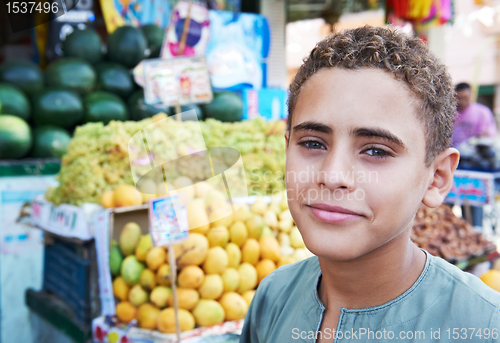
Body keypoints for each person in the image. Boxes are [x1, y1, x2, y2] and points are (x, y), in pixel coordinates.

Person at [240, 26, 500, 343]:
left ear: (437, 177)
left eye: (376, 151)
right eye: (312, 143)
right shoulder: (272, 299)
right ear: (286, 149)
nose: (333, 175)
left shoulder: (483, 326)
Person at [453, 82, 497, 147]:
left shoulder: (482, 112)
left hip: (474, 153)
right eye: (459, 98)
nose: (461, 101)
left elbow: (488, 135)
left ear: (471, 96)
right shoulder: (450, 112)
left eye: (465, 98)